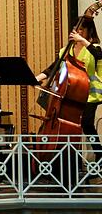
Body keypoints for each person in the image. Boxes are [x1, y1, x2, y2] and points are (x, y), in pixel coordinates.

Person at [36, 16, 102, 162]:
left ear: (89, 31)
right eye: (75, 29)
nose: (77, 32)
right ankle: (68, 158)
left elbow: (99, 55)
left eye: (81, 30)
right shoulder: (66, 50)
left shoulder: (94, 48)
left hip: (91, 93)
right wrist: (36, 78)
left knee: (86, 123)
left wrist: (83, 41)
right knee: (69, 124)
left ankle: (99, 153)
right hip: (73, 93)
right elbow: (53, 68)